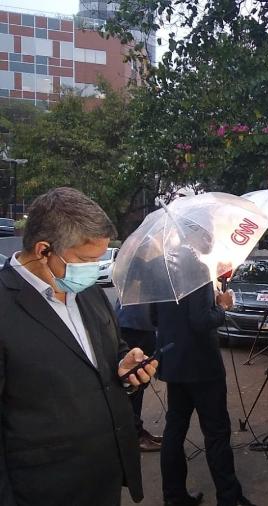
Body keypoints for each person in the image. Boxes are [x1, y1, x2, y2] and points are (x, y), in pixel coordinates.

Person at [0, 187, 157, 505]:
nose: (95, 269)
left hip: (104, 478)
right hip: (41, 488)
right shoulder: (5, 305)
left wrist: (125, 367)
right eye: (86, 260)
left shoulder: (88, 292)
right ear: (44, 251)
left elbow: (111, 351)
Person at [155, 276, 255, 506]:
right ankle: (228, 497)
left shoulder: (164, 273)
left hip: (174, 362)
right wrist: (222, 306)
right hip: (202, 367)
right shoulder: (197, 273)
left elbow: (154, 317)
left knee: (174, 430)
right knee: (216, 432)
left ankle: (174, 496)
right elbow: (201, 320)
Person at [116, 301, 164, 451]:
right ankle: (135, 435)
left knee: (138, 385)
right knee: (134, 382)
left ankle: (137, 430)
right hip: (134, 326)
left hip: (141, 325)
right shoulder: (142, 278)